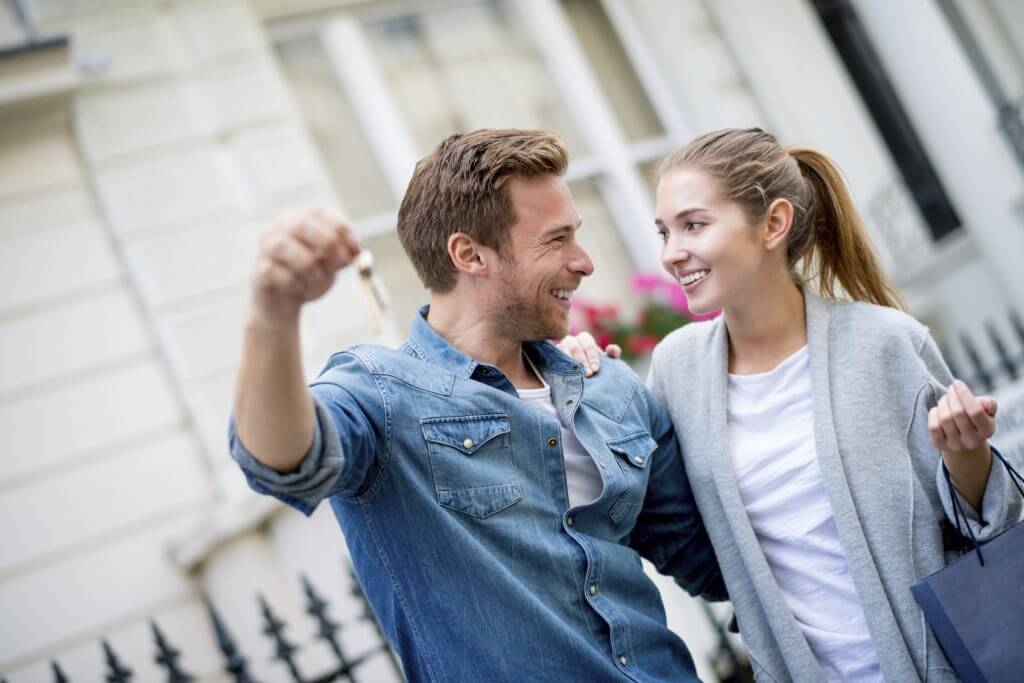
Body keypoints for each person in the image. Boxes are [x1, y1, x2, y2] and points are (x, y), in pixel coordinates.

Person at [229, 129, 726, 682]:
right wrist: (273, 313)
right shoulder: (381, 395)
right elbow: (279, 461)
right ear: (469, 254)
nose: (584, 262)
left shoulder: (609, 386)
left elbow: (720, 561)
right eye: (556, 240)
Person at [564, 127, 1022, 681]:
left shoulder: (886, 344)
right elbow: (675, 530)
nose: (671, 253)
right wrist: (593, 385)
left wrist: (966, 455)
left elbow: (989, 527)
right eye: (664, 231)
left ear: (774, 224)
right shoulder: (676, 370)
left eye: (694, 225)